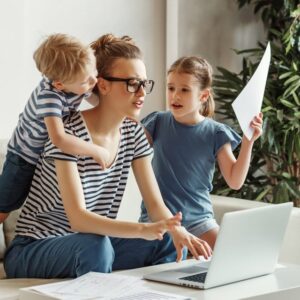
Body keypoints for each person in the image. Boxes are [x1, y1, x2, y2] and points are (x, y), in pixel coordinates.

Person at [4, 35, 212, 279]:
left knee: (165, 239)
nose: (142, 92)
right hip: (35, 247)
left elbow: (155, 205)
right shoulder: (67, 133)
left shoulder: (133, 133)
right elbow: (78, 219)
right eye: (133, 83)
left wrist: (178, 231)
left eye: (145, 83)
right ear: (102, 85)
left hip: (87, 245)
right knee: (96, 246)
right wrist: (141, 229)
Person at [139, 56, 263, 249]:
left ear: (203, 96)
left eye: (184, 90)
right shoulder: (157, 122)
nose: (175, 96)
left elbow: (235, 181)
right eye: (171, 88)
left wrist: (249, 141)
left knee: (228, 254)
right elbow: (126, 149)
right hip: (158, 221)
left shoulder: (216, 132)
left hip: (200, 222)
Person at [0, 33, 110, 224]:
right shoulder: (49, 97)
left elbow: (100, 101)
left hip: (43, 158)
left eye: (95, 72)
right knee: (5, 205)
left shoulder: (77, 82)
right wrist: (95, 150)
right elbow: (59, 138)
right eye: (87, 80)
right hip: (23, 158)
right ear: (59, 84)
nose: (94, 81)